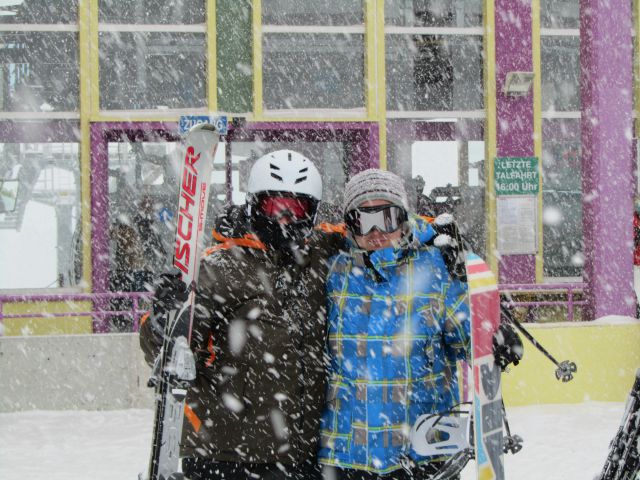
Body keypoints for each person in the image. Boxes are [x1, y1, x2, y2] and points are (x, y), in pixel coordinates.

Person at [139, 150, 344, 480]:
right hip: (225, 451)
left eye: (297, 208)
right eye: (274, 207)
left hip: (299, 453)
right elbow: (164, 350)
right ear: (254, 204)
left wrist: (435, 237)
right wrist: (164, 319)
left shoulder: (322, 255)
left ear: (313, 211)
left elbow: (379, 228)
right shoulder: (218, 268)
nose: (285, 219)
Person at [318, 169, 471, 479]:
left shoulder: (437, 268)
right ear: (350, 226)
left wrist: (490, 325)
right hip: (349, 451)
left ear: (403, 219)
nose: (376, 233)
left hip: (424, 448)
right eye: (364, 220)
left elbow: (466, 341)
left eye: (386, 218)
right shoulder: (334, 272)